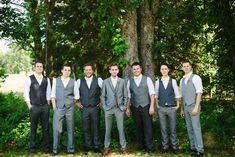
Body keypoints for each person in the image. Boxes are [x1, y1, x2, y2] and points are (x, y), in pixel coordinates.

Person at [126, 62, 155, 154]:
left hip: (146, 106)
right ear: (132, 70)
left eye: (137, 68)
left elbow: (152, 94)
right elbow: (129, 96)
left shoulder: (147, 79)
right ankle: (141, 146)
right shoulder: (129, 81)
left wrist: (152, 106)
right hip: (134, 107)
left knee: (148, 127)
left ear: (141, 69)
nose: (136, 70)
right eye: (134, 69)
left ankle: (150, 147)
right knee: (138, 127)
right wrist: (127, 108)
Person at [51, 64, 79, 155]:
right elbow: (53, 96)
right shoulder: (56, 80)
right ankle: (55, 149)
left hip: (70, 108)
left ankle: (70, 148)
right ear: (62, 71)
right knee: (57, 129)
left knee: (70, 129)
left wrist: (70, 103)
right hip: (58, 108)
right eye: (65, 70)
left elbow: (76, 96)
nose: (67, 72)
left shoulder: (73, 81)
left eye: (69, 70)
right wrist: (55, 108)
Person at [100, 62, 128, 155]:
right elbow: (102, 96)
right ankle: (106, 147)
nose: (114, 71)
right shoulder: (105, 81)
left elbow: (125, 95)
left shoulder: (122, 81)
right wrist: (105, 107)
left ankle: (123, 147)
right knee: (108, 129)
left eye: (116, 69)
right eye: (112, 69)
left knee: (121, 129)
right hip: (109, 109)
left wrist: (124, 107)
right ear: (110, 71)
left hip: (119, 109)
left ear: (118, 70)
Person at [24, 61, 51, 153]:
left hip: (44, 107)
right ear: (35, 68)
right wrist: (29, 106)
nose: (39, 68)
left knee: (46, 128)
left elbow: (48, 93)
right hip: (34, 107)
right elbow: (26, 93)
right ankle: (32, 148)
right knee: (33, 128)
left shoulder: (46, 79)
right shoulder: (29, 78)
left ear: (43, 68)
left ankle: (46, 148)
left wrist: (48, 105)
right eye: (37, 66)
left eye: (41, 66)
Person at [76, 63, 103, 153]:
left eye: (89, 69)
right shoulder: (79, 81)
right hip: (84, 108)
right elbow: (74, 93)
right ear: (84, 71)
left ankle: (96, 146)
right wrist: (77, 103)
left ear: (92, 70)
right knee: (86, 128)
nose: (88, 71)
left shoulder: (98, 80)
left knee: (96, 127)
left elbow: (104, 91)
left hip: (95, 108)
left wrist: (102, 102)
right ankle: (88, 147)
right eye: (86, 70)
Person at [180, 60, 204, 156]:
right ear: (182, 68)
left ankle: (200, 150)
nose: (185, 68)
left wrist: (196, 107)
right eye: (184, 66)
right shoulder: (182, 80)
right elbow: (182, 96)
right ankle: (193, 148)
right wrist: (182, 109)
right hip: (185, 107)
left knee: (196, 128)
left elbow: (199, 92)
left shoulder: (196, 78)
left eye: (187, 66)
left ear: (191, 67)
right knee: (189, 128)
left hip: (194, 106)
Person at [155, 64, 180, 153]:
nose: (164, 70)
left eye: (165, 69)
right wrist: (157, 105)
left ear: (168, 70)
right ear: (160, 70)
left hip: (171, 108)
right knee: (163, 128)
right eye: (162, 69)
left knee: (173, 128)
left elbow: (177, 93)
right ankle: (165, 147)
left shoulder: (172, 81)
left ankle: (174, 147)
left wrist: (177, 105)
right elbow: (156, 95)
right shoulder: (158, 82)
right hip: (161, 108)